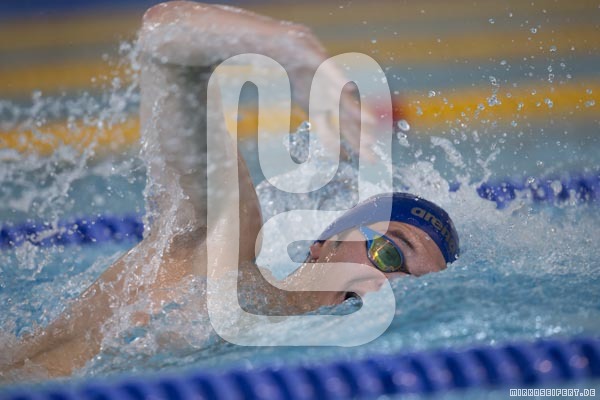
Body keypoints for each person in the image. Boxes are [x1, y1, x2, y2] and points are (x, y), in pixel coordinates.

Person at [0, 1, 459, 380]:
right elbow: (164, 38)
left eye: (415, 290)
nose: (389, 288)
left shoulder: (285, 360)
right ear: (323, 245)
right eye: (389, 254)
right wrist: (293, 49)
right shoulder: (224, 259)